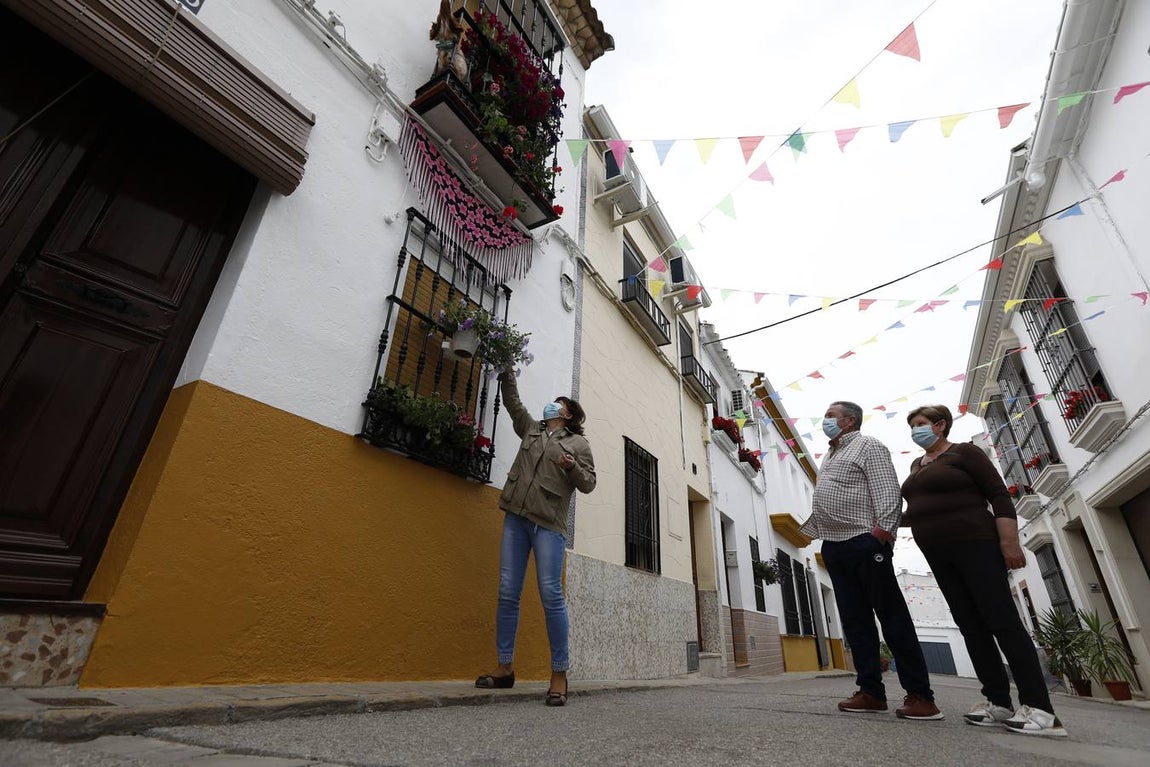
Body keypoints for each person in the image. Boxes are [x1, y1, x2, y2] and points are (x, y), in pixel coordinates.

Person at [901, 405, 1067, 737]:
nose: (914, 431)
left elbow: (998, 495)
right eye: (911, 426)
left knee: (1002, 621)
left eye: (920, 424)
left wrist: (1009, 542)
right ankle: (998, 702)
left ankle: (1041, 710)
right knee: (971, 627)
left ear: (940, 425)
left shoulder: (966, 453)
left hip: (976, 543)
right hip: (938, 553)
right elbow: (919, 509)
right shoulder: (916, 465)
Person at [800, 401, 943, 720]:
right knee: (855, 621)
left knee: (892, 618)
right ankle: (871, 692)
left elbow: (888, 492)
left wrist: (881, 534)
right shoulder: (833, 453)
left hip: (865, 541)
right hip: (835, 545)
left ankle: (921, 696)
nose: (825, 421)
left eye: (830, 416)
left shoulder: (868, 446)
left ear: (850, 421)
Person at [474, 369, 596, 707]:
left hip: (549, 526)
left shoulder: (578, 443)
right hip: (516, 517)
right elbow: (513, 406)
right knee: (507, 592)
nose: (551, 406)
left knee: (551, 595)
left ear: (568, 414)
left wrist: (571, 466)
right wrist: (507, 376)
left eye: (558, 404)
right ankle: (504, 668)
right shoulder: (533, 429)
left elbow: (588, 483)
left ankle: (559, 674)